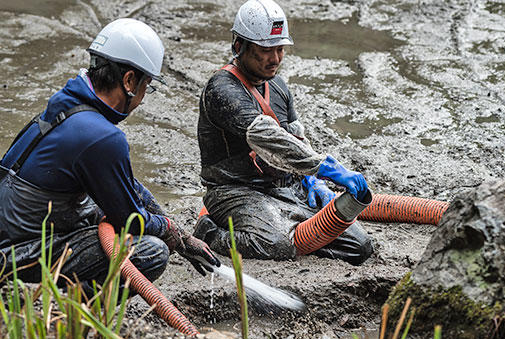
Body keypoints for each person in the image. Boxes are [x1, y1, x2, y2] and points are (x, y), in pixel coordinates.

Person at [0, 18, 219, 294]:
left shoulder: (67, 105)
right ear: (129, 80)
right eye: (146, 86)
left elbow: (126, 185)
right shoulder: (102, 137)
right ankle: (54, 307)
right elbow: (131, 219)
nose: (142, 98)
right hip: (19, 257)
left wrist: (183, 236)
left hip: (14, 239)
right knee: (151, 252)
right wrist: (168, 230)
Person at [194, 0, 374, 265]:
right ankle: (210, 233)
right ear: (238, 46)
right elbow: (269, 138)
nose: (275, 59)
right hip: (234, 192)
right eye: (266, 50)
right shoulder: (222, 89)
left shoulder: (277, 86)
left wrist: (314, 181)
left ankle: (292, 234)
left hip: (282, 188)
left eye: (280, 49)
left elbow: (295, 137)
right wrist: (323, 167)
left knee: (359, 247)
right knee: (277, 244)